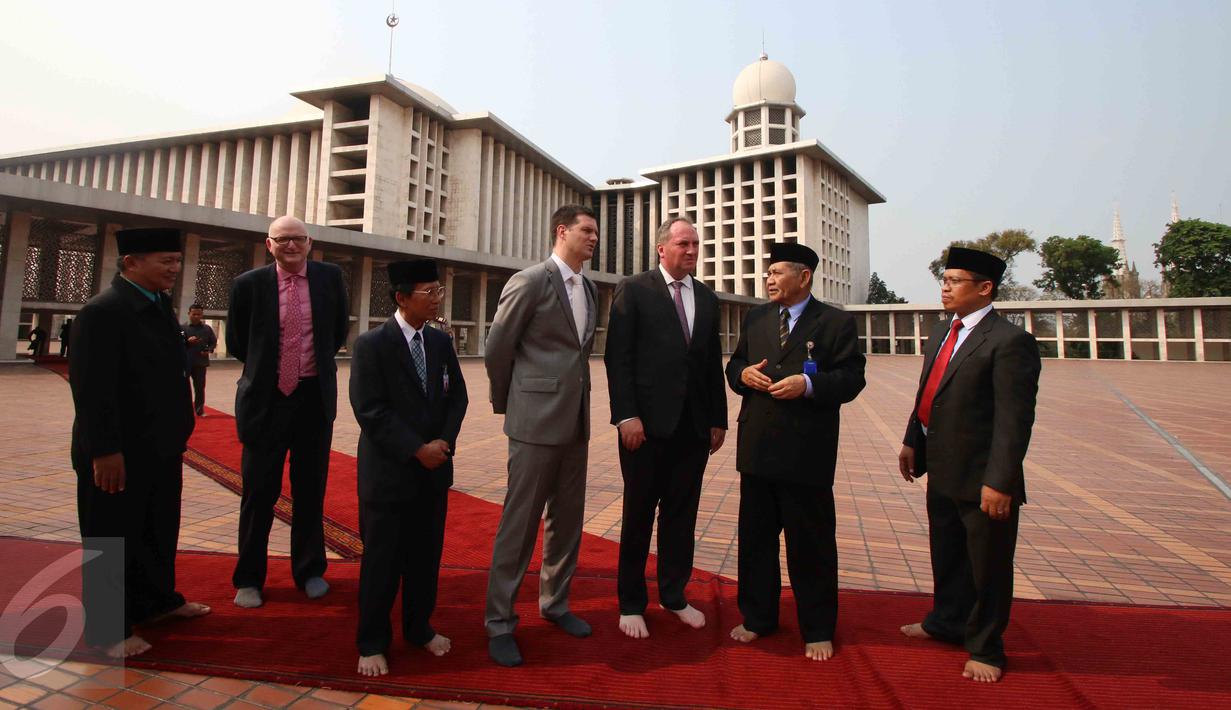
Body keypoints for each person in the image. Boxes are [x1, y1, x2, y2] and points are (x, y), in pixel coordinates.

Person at [897, 247, 1041, 683]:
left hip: (983, 479)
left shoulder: (1009, 341)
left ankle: (986, 648)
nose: (944, 286)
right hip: (941, 468)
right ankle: (946, 621)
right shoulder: (941, 331)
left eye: (955, 280)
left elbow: (1014, 421)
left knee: (988, 566)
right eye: (943, 278)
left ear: (984, 288)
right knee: (948, 554)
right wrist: (910, 442)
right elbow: (930, 392)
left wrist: (1000, 482)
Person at [68, 227, 210, 658]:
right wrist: (104, 450)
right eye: (164, 261)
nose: (174, 269)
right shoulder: (103, 311)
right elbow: (92, 389)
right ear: (131, 263)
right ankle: (108, 628)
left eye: (176, 260)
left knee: (156, 529)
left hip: (160, 447)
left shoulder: (158, 305)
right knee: (110, 536)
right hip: (118, 452)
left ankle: (156, 603)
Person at [724, 242, 865, 661]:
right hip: (759, 449)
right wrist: (741, 374)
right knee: (756, 541)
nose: (768, 279)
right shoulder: (757, 317)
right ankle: (758, 618)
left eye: (777, 272)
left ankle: (818, 628)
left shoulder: (835, 322)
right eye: (767, 272)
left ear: (804, 277)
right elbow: (735, 365)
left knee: (812, 545)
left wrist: (809, 385)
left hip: (807, 453)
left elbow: (852, 378)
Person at [483, 204, 598, 667]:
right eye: (587, 231)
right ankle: (499, 622)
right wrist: (510, 405)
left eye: (596, 232)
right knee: (520, 523)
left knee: (567, 520)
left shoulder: (588, 288)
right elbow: (498, 348)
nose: (594, 238)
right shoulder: (530, 281)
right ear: (562, 231)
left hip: (575, 423)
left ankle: (555, 604)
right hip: (533, 422)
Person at [604, 216, 727, 639]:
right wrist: (625, 415)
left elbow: (711, 363)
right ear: (662, 249)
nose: (692, 250)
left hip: (692, 430)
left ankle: (674, 595)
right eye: (683, 244)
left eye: (696, 244)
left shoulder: (707, 299)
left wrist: (717, 418)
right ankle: (631, 603)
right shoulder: (634, 289)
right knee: (638, 515)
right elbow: (617, 358)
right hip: (644, 428)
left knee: (681, 516)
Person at [350, 259, 467, 677]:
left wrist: (444, 444)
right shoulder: (371, 346)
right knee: (381, 562)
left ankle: (419, 628)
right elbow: (370, 410)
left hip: (434, 472)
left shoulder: (439, 343)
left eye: (440, 291)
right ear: (401, 297)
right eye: (429, 292)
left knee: (425, 559)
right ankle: (372, 642)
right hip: (389, 474)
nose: (437, 299)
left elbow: (459, 399)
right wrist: (416, 448)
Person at [226, 215, 349, 608]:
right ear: (269, 244)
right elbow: (238, 342)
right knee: (258, 492)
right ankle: (249, 578)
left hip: (313, 399)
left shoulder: (330, 279)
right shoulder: (248, 285)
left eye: (298, 239)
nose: (291, 246)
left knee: (310, 490)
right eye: (282, 240)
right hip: (266, 401)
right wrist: (276, 370)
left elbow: (337, 333)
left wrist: (303, 370)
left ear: (310, 242)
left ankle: (310, 570)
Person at [182, 304, 217, 416]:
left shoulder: (207, 329)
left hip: (201, 363)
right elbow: (175, 343)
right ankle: (183, 410)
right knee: (183, 388)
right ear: (189, 314)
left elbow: (213, 342)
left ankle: (199, 410)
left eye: (199, 314)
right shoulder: (182, 328)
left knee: (200, 388)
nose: (196, 316)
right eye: (194, 314)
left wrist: (209, 350)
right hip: (185, 363)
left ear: (202, 315)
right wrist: (187, 341)